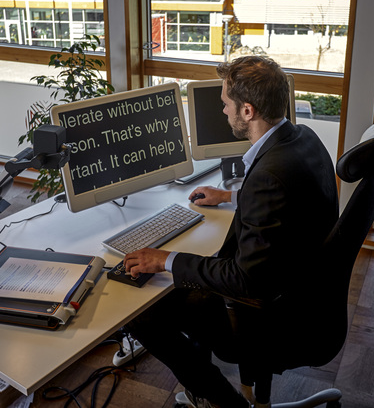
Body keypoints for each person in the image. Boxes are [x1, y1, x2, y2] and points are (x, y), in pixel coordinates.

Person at [123, 56, 339, 408]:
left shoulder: (268, 174)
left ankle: (225, 403)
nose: (223, 110)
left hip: (275, 318)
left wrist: (167, 260)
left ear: (248, 111)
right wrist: (234, 196)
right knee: (189, 279)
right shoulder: (302, 138)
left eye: (226, 103)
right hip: (309, 295)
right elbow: (290, 197)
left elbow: (245, 279)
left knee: (145, 314)